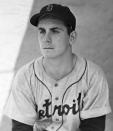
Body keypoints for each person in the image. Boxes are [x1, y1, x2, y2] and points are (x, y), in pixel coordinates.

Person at [4, 3, 111, 131]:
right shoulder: (25, 77)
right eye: (42, 31)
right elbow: (21, 128)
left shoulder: (93, 76)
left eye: (55, 31)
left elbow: (94, 128)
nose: (46, 39)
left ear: (71, 37)